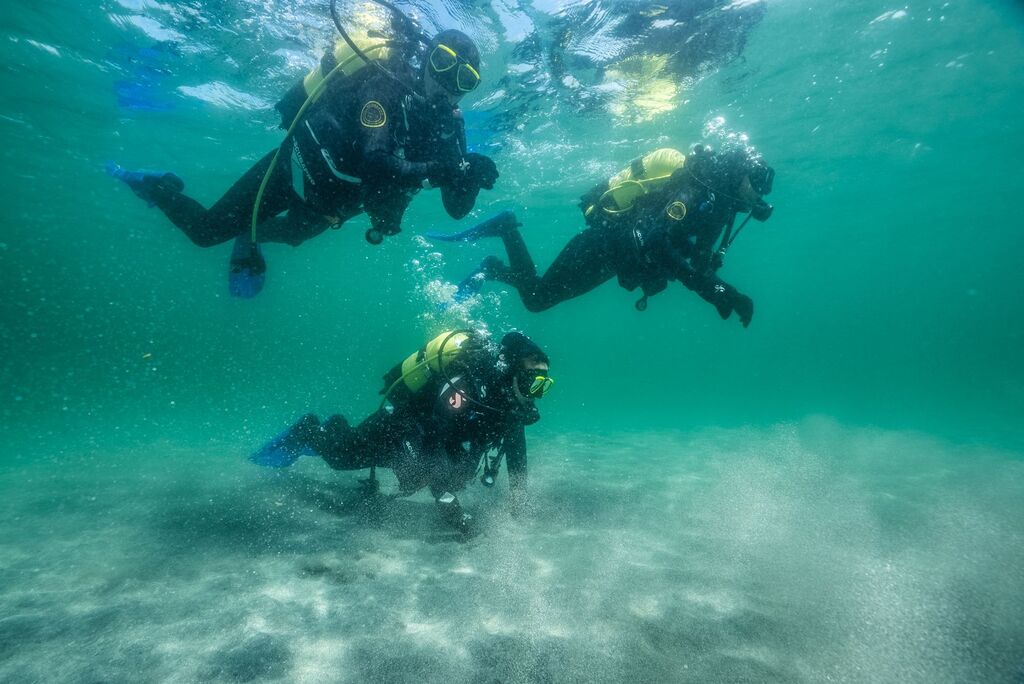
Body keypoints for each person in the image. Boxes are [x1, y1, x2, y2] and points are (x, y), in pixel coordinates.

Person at [109, 7, 499, 298]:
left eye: (465, 78)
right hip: (293, 171)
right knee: (205, 232)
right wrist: (445, 170)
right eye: (444, 63)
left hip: (334, 204)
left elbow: (456, 210)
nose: (449, 82)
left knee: (291, 236)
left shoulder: (451, 125)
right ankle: (157, 187)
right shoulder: (386, 86)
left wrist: (470, 177)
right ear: (425, 59)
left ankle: (249, 235)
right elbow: (375, 161)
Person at [250, 330, 553, 536]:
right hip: (398, 426)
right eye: (531, 382)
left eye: (543, 385)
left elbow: (515, 450)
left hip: (425, 438)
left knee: (450, 472)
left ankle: (335, 426)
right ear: (510, 369)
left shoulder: (508, 402)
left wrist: (519, 499)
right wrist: (454, 512)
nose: (535, 394)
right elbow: (434, 440)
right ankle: (310, 429)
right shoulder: (467, 386)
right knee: (343, 458)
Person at [431, 144, 774, 326]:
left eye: (764, 188)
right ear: (739, 173)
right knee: (536, 300)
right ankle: (505, 229)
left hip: (614, 258)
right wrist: (715, 291)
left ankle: (495, 260)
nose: (758, 194)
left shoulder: (720, 207)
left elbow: (695, 261)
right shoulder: (697, 189)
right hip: (603, 244)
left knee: (538, 299)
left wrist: (722, 290)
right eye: (756, 182)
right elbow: (655, 241)